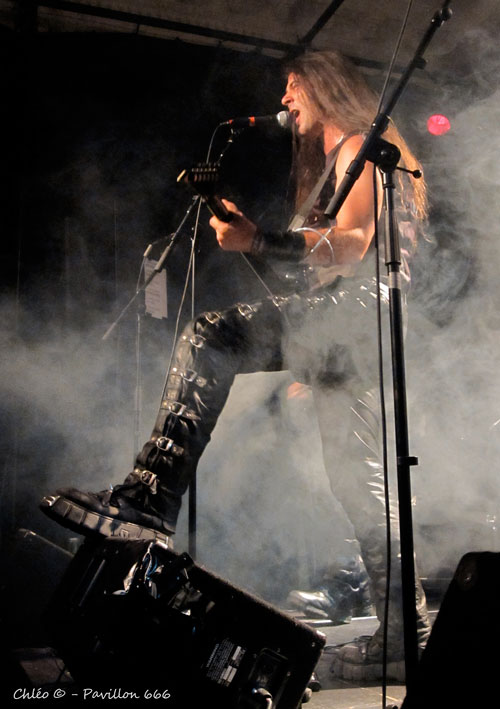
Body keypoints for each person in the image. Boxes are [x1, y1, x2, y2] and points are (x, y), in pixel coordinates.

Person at [40, 50, 430, 680]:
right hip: (358, 328)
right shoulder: (337, 162)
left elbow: (357, 245)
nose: (285, 98)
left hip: (358, 314)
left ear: (325, 88)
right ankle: (405, 634)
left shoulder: (360, 144)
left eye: (293, 85)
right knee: (360, 486)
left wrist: (261, 240)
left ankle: (148, 498)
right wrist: (256, 244)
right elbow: (318, 270)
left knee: (210, 334)